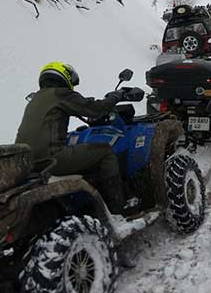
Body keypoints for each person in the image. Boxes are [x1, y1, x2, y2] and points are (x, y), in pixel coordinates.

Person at [15, 62, 131, 215]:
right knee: (105, 152)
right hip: (52, 159)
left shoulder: (37, 98)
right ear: (64, 76)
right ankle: (118, 208)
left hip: (26, 163)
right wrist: (116, 96)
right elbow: (96, 109)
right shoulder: (61, 93)